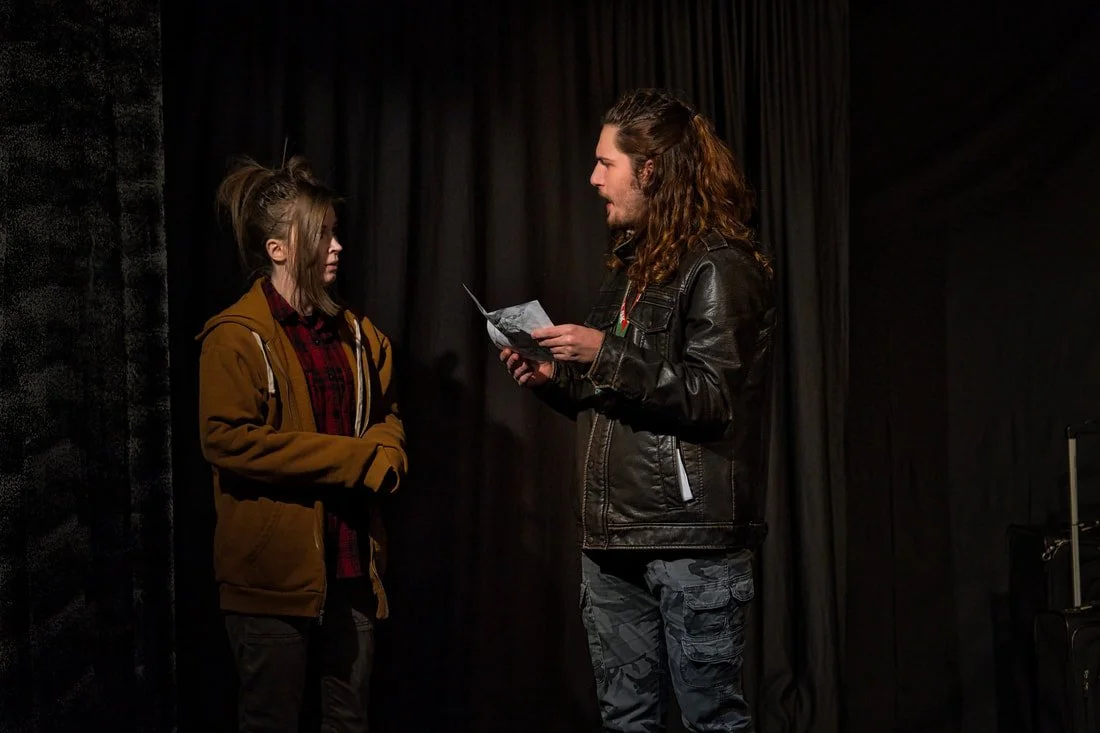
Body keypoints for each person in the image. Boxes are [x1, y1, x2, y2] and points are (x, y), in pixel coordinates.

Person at [501, 89, 776, 731]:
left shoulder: (721, 267)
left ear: (648, 169)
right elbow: (623, 398)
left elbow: (713, 397)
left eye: (606, 164)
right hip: (612, 536)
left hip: (690, 541)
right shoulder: (634, 270)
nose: (594, 179)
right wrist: (553, 380)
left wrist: (604, 352)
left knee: (711, 719)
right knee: (626, 719)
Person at [197, 154, 407, 733]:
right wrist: (357, 460)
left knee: (349, 721)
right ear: (279, 250)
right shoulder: (235, 337)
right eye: (321, 235)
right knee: (270, 721)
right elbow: (229, 442)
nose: (336, 246)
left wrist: (387, 453)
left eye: (336, 233)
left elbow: (386, 415)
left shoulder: (358, 335)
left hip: (351, 568)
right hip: (270, 578)